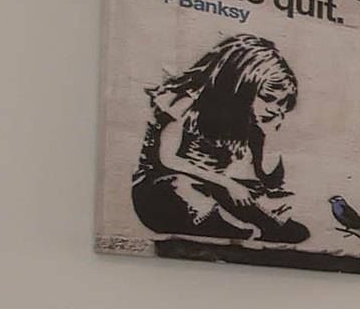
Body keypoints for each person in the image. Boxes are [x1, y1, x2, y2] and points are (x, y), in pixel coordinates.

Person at [131, 34, 308, 242]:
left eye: (281, 104)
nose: (273, 109)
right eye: (267, 98)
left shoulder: (245, 123)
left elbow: (263, 177)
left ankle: (259, 225)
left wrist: (269, 136)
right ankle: (228, 225)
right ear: (240, 85)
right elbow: (168, 159)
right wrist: (228, 184)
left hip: (211, 187)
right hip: (160, 190)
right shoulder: (187, 104)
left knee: (256, 203)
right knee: (181, 187)